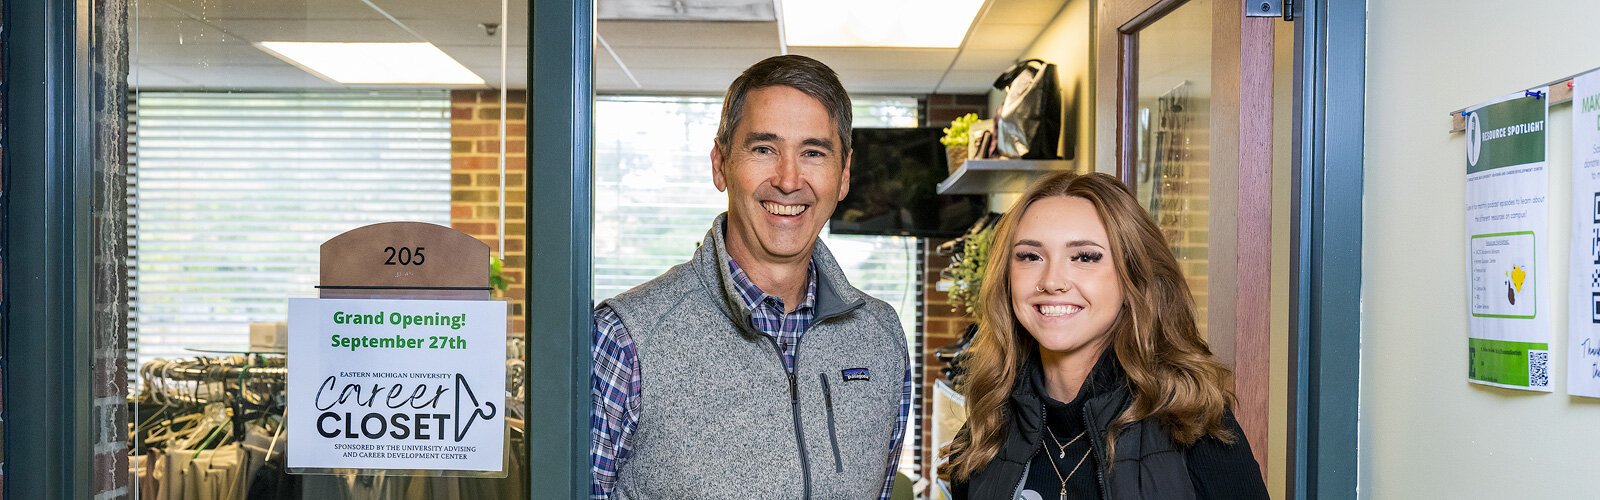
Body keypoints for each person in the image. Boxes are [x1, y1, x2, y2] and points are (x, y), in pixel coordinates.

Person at [590, 54, 911, 499]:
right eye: (764, 149)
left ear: (844, 175)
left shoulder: (880, 337)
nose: (788, 179)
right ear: (721, 164)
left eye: (813, 152)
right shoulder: (625, 339)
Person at [940, 172, 1268, 499]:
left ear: (1132, 278)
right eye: (1030, 256)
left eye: (1085, 257)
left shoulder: (1192, 423)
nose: (1052, 281)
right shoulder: (983, 437)